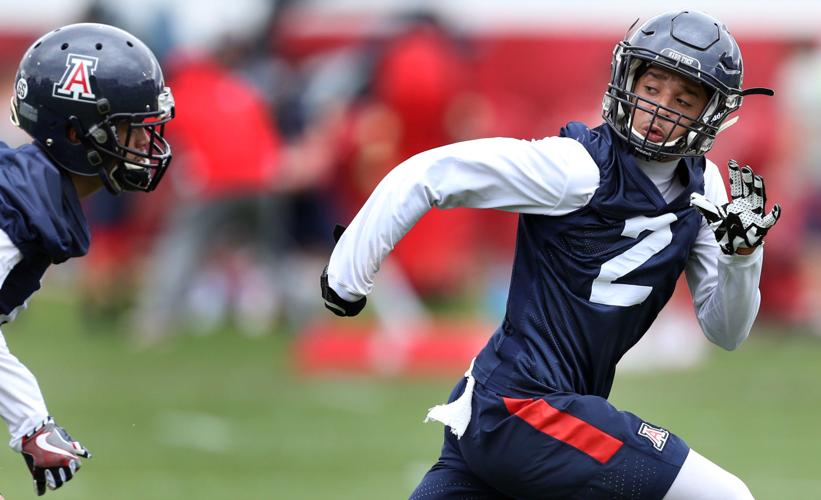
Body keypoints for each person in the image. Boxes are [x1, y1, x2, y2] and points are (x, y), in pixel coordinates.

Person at [320, 10, 780, 500]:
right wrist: (346, 278)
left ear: (712, 113)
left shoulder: (705, 186)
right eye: (652, 88)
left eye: (683, 99)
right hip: (523, 406)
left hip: (517, 413)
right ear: (627, 79)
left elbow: (726, 332)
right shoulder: (574, 168)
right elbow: (429, 174)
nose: (661, 109)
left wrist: (741, 257)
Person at [1, 23, 174, 495]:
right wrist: (31, 424)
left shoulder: (28, 197)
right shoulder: (12, 213)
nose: (145, 143)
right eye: (130, 127)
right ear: (75, 132)